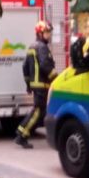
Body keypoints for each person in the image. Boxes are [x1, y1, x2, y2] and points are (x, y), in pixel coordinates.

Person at [16, 20, 57, 149]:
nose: (49, 35)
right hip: (42, 85)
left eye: (49, 32)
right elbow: (45, 65)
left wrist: (28, 84)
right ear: (40, 33)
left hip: (36, 85)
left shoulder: (32, 47)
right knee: (38, 111)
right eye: (47, 32)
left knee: (39, 111)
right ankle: (22, 135)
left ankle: (22, 132)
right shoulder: (42, 47)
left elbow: (25, 67)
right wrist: (56, 78)